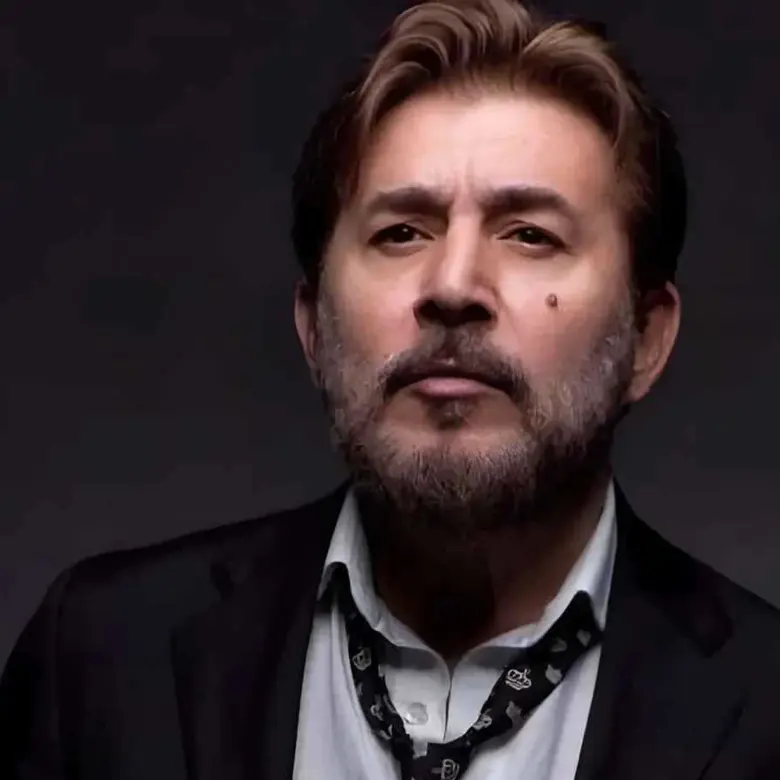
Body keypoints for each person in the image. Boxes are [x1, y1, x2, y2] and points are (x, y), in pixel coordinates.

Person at [2, 0, 780, 778]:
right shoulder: (103, 657)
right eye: (400, 232)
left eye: (530, 235)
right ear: (314, 325)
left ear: (645, 337)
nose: (452, 286)